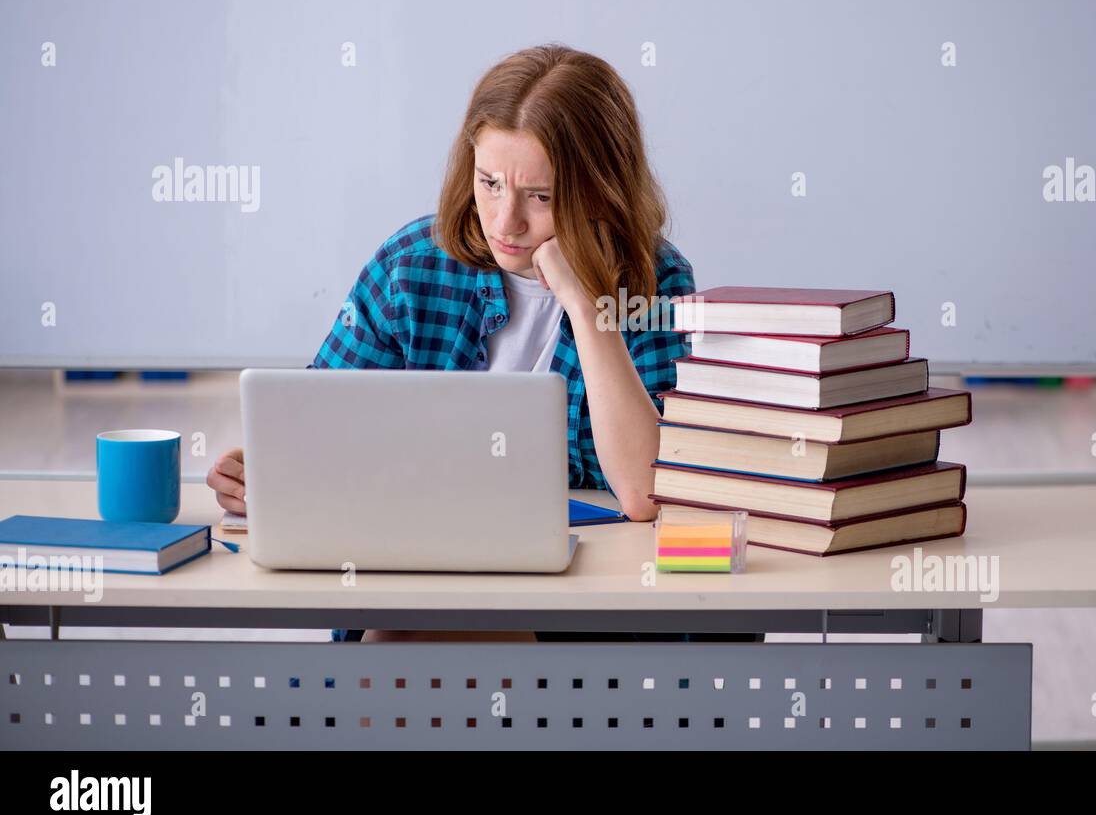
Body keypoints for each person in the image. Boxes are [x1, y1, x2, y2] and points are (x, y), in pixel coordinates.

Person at [205, 42, 758, 643]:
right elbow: (313, 423)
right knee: (416, 630)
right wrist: (270, 472)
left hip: (584, 604)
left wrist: (585, 302)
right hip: (417, 579)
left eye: (541, 197)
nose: (505, 221)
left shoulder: (655, 282)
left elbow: (645, 490)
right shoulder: (412, 266)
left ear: (601, 190)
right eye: (489, 182)